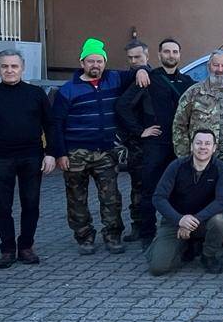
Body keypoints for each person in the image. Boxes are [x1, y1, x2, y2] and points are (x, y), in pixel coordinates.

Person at [51, 37, 149, 254]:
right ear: (82, 62)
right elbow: (55, 124)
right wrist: (59, 153)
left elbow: (132, 73)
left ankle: (112, 236)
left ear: (105, 62)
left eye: (99, 61)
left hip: (105, 151)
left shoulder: (113, 79)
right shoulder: (68, 90)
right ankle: (84, 237)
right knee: (77, 199)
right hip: (75, 153)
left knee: (111, 197)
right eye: (91, 61)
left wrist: (142, 70)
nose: (95, 65)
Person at [0, 49, 55, 268]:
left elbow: (51, 126)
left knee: (31, 204)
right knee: (2, 206)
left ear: (22, 67)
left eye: (14, 66)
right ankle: (7, 249)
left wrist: (51, 153)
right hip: (0, 159)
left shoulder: (36, 94)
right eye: (4, 66)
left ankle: (26, 247)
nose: (9, 70)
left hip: (31, 157)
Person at [115, 37, 194, 249]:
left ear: (180, 55)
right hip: (155, 146)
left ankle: (180, 235)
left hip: (180, 146)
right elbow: (123, 106)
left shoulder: (188, 82)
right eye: (166, 52)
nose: (171, 55)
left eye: (175, 52)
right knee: (149, 191)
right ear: (159, 55)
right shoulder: (149, 78)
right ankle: (147, 237)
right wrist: (140, 131)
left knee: (181, 192)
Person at [172, 51, 223, 218]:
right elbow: (179, 126)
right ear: (209, 67)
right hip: (201, 160)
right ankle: (200, 235)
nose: (220, 69)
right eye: (216, 65)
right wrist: (185, 156)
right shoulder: (193, 93)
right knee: (200, 199)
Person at [146, 129, 223, 275]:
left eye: (207, 143)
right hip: (175, 220)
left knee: (220, 220)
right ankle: (182, 245)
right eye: (198, 143)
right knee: (158, 268)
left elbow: (222, 202)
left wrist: (193, 220)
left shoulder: (221, 168)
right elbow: (158, 197)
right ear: (191, 146)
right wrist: (179, 220)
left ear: (214, 148)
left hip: (204, 220)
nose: (203, 147)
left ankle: (208, 256)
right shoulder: (176, 166)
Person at [117, 39, 151, 242]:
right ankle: (139, 226)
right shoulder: (133, 76)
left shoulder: (148, 76)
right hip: (138, 144)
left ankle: (146, 227)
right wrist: (139, 132)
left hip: (153, 142)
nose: (134, 61)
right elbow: (122, 107)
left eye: (138, 57)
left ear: (147, 56)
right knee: (139, 187)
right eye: (130, 58)